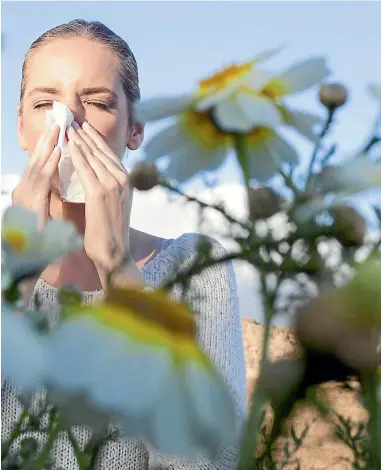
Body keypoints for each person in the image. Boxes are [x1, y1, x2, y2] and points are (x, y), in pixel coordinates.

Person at [2, 19, 247, 469]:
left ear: (134, 130)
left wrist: (118, 269)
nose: (67, 118)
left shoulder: (196, 267)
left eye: (96, 102)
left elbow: (216, 459)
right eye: (44, 102)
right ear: (21, 128)